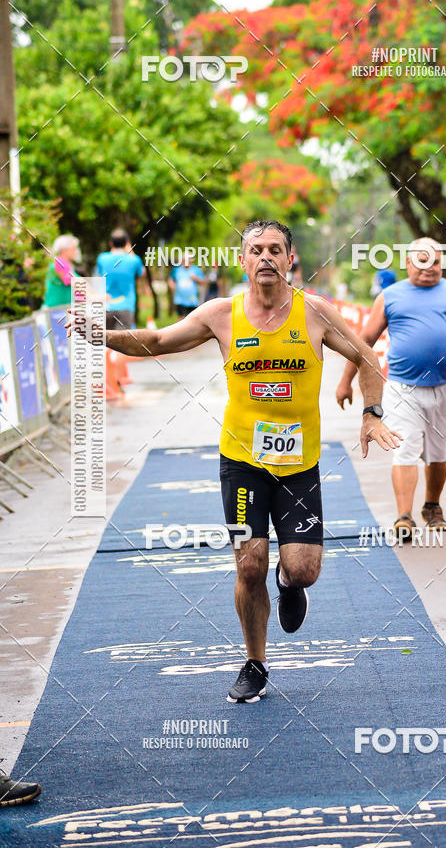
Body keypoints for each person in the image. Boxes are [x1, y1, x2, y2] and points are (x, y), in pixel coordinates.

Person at [67, 219, 400, 703]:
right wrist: (105, 337)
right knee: (249, 566)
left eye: (275, 250)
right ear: (242, 260)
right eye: (255, 250)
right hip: (242, 462)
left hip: (300, 466)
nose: (265, 257)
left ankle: (290, 585)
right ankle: (255, 663)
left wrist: (371, 414)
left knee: (304, 568)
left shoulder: (314, 314)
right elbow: (159, 341)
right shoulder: (221, 314)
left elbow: (368, 356)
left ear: (290, 260)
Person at [336, 237, 446, 541]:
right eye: (421, 261)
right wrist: (345, 381)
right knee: (405, 449)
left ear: (441, 263)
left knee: (439, 453)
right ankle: (404, 516)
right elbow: (364, 341)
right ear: (408, 263)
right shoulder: (391, 296)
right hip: (403, 390)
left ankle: (432, 507)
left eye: (434, 261)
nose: (429, 267)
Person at [95, 229, 144, 329]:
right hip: (126, 306)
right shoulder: (134, 260)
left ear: (111, 243)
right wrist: (130, 251)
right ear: (127, 243)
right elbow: (142, 273)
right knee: (123, 342)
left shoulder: (102, 258)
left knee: (105, 340)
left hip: (105, 306)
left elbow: (100, 274)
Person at [42, 235, 82, 307]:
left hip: (62, 311)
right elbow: (77, 284)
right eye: (73, 249)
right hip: (54, 313)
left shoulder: (68, 267)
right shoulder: (59, 264)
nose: (76, 252)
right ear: (64, 250)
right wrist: (95, 296)